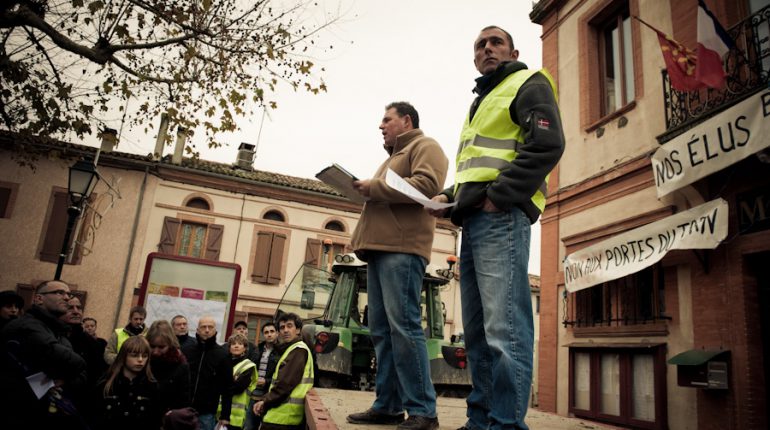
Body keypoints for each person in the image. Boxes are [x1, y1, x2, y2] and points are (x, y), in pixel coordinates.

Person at [429, 26, 565, 430]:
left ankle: (505, 424)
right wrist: (451, 196)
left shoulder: (528, 81)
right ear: (474, 57)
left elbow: (547, 144)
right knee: (478, 334)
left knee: (504, 329)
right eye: (479, 45)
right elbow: (483, 166)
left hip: (501, 218)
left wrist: (499, 197)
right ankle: (481, 419)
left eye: (495, 43)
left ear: (512, 51)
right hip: (475, 221)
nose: (486, 48)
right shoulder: (482, 100)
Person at [346, 101, 448, 430]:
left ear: (406, 120)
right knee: (382, 333)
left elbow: (426, 187)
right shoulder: (391, 158)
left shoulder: (425, 146)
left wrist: (373, 187)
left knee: (404, 328)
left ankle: (423, 412)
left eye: (386, 120)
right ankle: (388, 406)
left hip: (402, 250)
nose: (381, 125)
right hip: (380, 250)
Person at [0, 280, 87, 429]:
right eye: (59, 292)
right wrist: (61, 374)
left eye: (68, 293)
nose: (67, 297)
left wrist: (61, 379)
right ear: (39, 299)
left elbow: (82, 372)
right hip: (18, 410)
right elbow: (73, 361)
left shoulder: (58, 332)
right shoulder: (27, 325)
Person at [252, 313, 314, 430]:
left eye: (289, 326)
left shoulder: (298, 350)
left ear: (298, 330)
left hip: (282, 418)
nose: (285, 330)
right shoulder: (291, 349)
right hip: (282, 416)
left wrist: (265, 401)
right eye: (282, 327)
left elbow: (284, 384)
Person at [92, 335, 162, 430]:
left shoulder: (152, 386)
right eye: (134, 355)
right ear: (124, 356)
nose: (140, 360)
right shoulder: (106, 384)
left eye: (145, 356)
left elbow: (155, 421)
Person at [181, 316, 233, 430]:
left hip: (206, 413)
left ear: (215, 331)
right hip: (183, 409)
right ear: (197, 330)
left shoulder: (223, 355)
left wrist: (225, 415)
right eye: (203, 327)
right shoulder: (187, 350)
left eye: (210, 327)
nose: (207, 330)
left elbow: (228, 388)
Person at [60, 297, 108, 396]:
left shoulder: (94, 343)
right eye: (70, 308)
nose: (76, 311)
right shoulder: (53, 336)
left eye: (79, 308)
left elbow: (98, 374)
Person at [147, 320, 191, 413]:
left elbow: (183, 399)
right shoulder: (143, 360)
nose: (155, 351)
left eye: (161, 347)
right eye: (152, 346)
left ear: (170, 344)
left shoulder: (180, 365)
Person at [218, 333, 257, 430]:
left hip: (236, 417)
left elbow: (239, 387)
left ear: (245, 348)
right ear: (229, 347)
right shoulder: (223, 362)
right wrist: (232, 380)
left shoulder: (248, 365)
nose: (236, 346)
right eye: (233, 344)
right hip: (219, 412)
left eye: (240, 344)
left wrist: (224, 383)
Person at [244, 322, 279, 430]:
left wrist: (266, 381)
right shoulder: (257, 349)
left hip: (269, 394)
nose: (269, 334)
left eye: (272, 331)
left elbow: (280, 375)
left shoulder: (281, 352)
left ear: (277, 333)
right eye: (266, 332)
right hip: (253, 393)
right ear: (263, 335)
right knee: (248, 426)